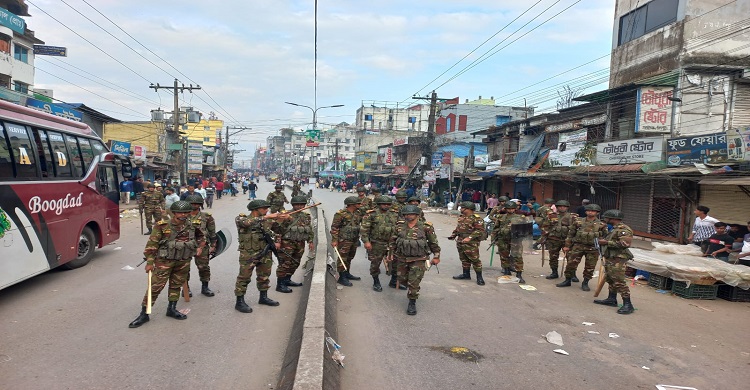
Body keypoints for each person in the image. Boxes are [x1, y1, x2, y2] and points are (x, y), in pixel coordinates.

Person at [128, 201, 206, 328]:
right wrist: (150, 262)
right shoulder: (163, 226)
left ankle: (172, 308)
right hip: (164, 262)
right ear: (174, 213)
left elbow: (201, 237)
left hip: (183, 260)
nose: (183, 215)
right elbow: (151, 246)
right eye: (180, 212)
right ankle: (144, 313)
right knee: (155, 287)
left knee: (176, 285)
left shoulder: (193, 225)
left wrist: (200, 247)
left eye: (186, 212)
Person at [234, 200, 290, 313]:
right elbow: (246, 223)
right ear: (256, 209)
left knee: (264, 276)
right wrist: (268, 217)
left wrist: (283, 220)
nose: (266, 210)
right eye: (264, 208)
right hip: (248, 254)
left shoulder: (267, 220)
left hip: (265, 252)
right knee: (244, 277)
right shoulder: (241, 218)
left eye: (267, 209)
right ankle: (239, 302)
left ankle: (263, 297)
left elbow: (279, 231)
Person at [387, 205, 440, 315]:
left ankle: (412, 301)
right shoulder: (399, 226)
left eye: (410, 214)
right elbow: (393, 241)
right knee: (402, 279)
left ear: (417, 215)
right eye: (406, 214)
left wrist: (436, 256)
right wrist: (390, 254)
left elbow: (433, 243)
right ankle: (411, 290)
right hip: (402, 258)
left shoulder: (426, 227)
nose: (408, 216)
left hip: (419, 259)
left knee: (414, 282)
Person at [558, 204, 608, 291]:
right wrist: (567, 245)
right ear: (585, 211)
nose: (590, 212)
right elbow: (571, 233)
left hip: (593, 248)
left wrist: (603, 250)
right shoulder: (578, 221)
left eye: (593, 211)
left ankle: (585, 282)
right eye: (588, 210)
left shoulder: (601, 224)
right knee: (571, 264)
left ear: (597, 213)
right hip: (578, 246)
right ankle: (567, 280)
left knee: (590, 267)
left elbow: (605, 237)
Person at [594, 209, 635, 314]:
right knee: (611, 279)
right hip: (610, 258)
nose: (605, 219)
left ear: (613, 218)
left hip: (618, 259)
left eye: (607, 217)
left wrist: (606, 242)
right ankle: (611, 299)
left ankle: (628, 304)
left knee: (619, 281)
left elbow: (625, 244)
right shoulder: (613, 229)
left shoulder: (624, 229)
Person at [272, 196, 314, 293]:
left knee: (296, 262)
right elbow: (277, 229)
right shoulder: (285, 214)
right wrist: (278, 241)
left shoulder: (306, 216)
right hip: (287, 243)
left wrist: (310, 241)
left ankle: (287, 279)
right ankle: (280, 284)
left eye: (302, 205)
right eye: (297, 205)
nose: (299, 206)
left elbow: (309, 229)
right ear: (293, 205)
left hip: (300, 243)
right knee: (285, 263)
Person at [361, 196, 400, 291]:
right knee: (375, 263)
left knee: (396, 262)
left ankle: (393, 281)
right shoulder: (371, 214)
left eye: (388, 204)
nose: (386, 206)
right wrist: (366, 242)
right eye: (384, 204)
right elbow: (364, 230)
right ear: (379, 204)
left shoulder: (394, 214)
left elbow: (400, 227)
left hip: (392, 243)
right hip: (377, 243)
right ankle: (376, 281)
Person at [185, 195, 217, 297]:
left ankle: (205, 287)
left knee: (203, 267)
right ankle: (186, 289)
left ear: (200, 205)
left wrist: (213, 245)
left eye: (196, 203)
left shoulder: (207, 216)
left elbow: (212, 232)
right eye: (192, 203)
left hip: (202, 245)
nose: (194, 205)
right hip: (185, 246)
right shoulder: (182, 216)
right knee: (184, 268)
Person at [492, 201, 529, 283]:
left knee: (517, 257)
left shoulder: (521, 217)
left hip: (515, 241)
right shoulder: (501, 217)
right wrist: (494, 239)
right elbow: (495, 229)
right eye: (509, 209)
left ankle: (519, 274)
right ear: (505, 209)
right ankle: (506, 270)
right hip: (503, 239)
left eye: (512, 209)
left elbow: (526, 230)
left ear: (515, 209)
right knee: (504, 256)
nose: (510, 210)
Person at [450, 201, 486, 285]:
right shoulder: (461, 217)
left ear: (468, 209)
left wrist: (469, 238)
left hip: (471, 242)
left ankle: (479, 277)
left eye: (462, 208)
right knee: (464, 258)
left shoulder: (476, 219)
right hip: (460, 240)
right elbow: (458, 228)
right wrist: (453, 235)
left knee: (475, 259)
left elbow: (480, 231)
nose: (461, 209)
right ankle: (466, 274)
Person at [331, 196, 363, 286]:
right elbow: (334, 228)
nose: (360, 205)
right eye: (358, 203)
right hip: (344, 239)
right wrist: (334, 240)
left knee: (350, 257)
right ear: (352, 204)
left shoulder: (358, 213)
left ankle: (347, 273)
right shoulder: (340, 214)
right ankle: (342, 277)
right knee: (342, 258)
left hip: (354, 239)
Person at [541, 200, 576, 279]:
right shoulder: (551, 216)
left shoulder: (572, 217)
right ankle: (554, 272)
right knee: (553, 257)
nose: (562, 208)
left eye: (564, 206)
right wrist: (543, 238)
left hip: (567, 240)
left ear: (567, 207)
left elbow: (576, 229)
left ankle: (572, 274)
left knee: (570, 258)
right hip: (553, 239)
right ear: (557, 207)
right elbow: (545, 227)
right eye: (560, 206)